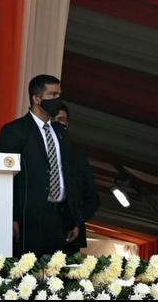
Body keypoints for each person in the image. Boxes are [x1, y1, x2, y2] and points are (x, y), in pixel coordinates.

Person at [0, 74, 82, 257]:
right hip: (28, 218)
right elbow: (6, 180)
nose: (57, 100)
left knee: (53, 277)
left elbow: (68, 176)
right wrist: (10, 217)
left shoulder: (62, 133)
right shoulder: (15, 131)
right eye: (52, 95)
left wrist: (74, 219)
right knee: (26, 273)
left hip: (58, 217)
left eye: (59, 94)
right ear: (37, 98)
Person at [53, 103, 100, 255]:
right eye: (53, 119)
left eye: (61, 119)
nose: (57, 123)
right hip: (35, 231)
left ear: (67, 123)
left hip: (69, 235)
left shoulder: (78, 157)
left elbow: (92, 198)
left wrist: (77, 220)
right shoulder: (35, 152)